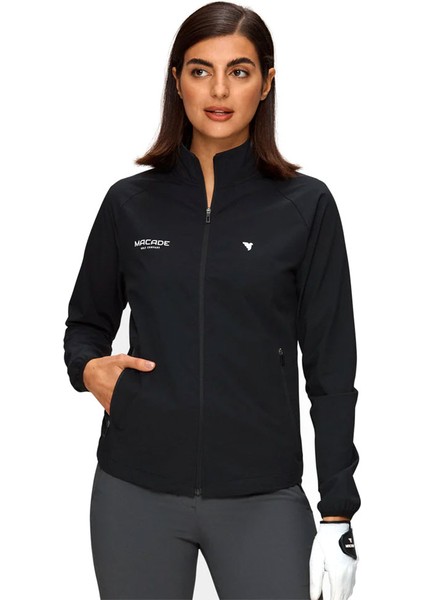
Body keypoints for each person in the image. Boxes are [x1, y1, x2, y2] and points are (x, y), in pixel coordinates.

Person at [63, 2, 360, 599]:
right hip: (134, 491)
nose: (219, 90)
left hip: (263, 497)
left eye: (239, 71)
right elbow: (85, 324)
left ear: (266, 82)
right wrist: (88, 368)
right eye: (201, 71)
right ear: (177, 80)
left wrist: (337, 512)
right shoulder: (129, 203)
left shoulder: (305, 206)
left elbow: (332, 370)